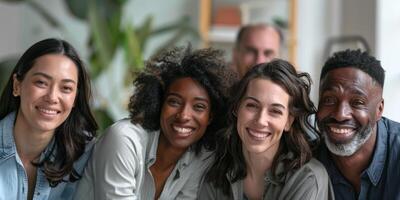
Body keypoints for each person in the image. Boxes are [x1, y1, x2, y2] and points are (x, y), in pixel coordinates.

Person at [74, 46, 234, 199]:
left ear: (211, 116)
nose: (184, 115)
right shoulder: (124, 140)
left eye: (199, 107)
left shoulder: (199, 158)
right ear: (159, 102)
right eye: (174, 102)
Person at [200, 60, 334, 199]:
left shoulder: (308, 178)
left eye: (275, 111)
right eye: (252, 105)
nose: (260, 120)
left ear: (288, 121)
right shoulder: (216, 170)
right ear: (236, 108)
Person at [0, 38, 98, 200]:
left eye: (66, 88)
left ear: (75, 98)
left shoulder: (85, 153)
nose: (52, 97)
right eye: (41, 82)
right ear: (17, 86)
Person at [316, 49, 400, 200]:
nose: (340, 115)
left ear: (379, 109)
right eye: (329, 100)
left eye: (358, 102)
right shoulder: (305, 159)